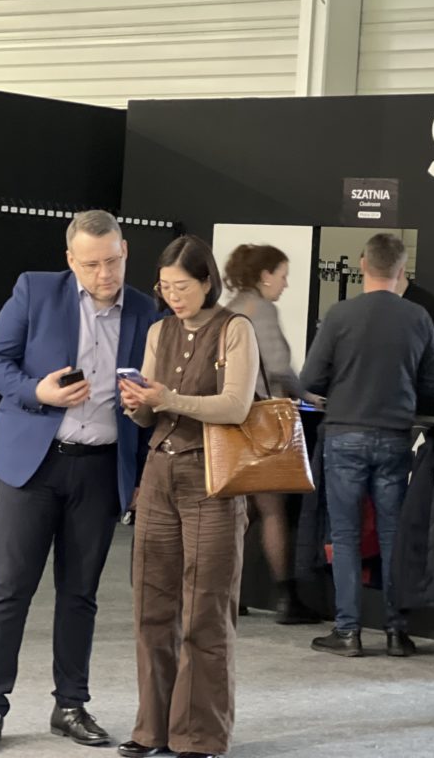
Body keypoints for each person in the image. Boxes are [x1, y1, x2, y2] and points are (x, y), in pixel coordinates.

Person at [0, 210, 157, 753]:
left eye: (112, 261)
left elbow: (150, 403)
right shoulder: (35, 290)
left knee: (80, 595)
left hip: (101, 468)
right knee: (10, 590)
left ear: (125, 250)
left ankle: (71, 705)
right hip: (34, 464)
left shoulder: (146, 310)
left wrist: (140, 469)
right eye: (91, 265)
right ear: (71, 260)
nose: (104, 274)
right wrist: (37, 392)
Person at [118, 235, 260, 758]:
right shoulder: (160, 330)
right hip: (159, 474)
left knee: (206, 611)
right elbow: (148, 415)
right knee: (151, 607)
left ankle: (199, 736)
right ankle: (151, 729)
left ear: (206, 282)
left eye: (182, 286)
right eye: (164, 287)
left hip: (212, 480)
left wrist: (169, 398)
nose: (172, 296)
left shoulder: (235, 329)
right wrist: (137, 402)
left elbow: (237, 406)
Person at [301, 232, 434, 658]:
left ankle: (348, 631)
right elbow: (433, 383)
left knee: (344, 535)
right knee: (392, 532)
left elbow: (310, 379)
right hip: (395, 435)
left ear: (363, 264)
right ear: (402, 270)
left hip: (344, 433)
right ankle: (397, 631)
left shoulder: (340, 314)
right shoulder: (418, 317)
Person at [223, 243, 321, 625]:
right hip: (262, 422)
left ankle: (233, 593)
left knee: (241, 510)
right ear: (265, 276)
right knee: (272, 511)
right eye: (282, 275)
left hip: (232, 421)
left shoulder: (230, 308)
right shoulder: (262, 310)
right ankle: (286, 597)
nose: (285, 283)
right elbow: (279, 366)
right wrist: (307, 395)